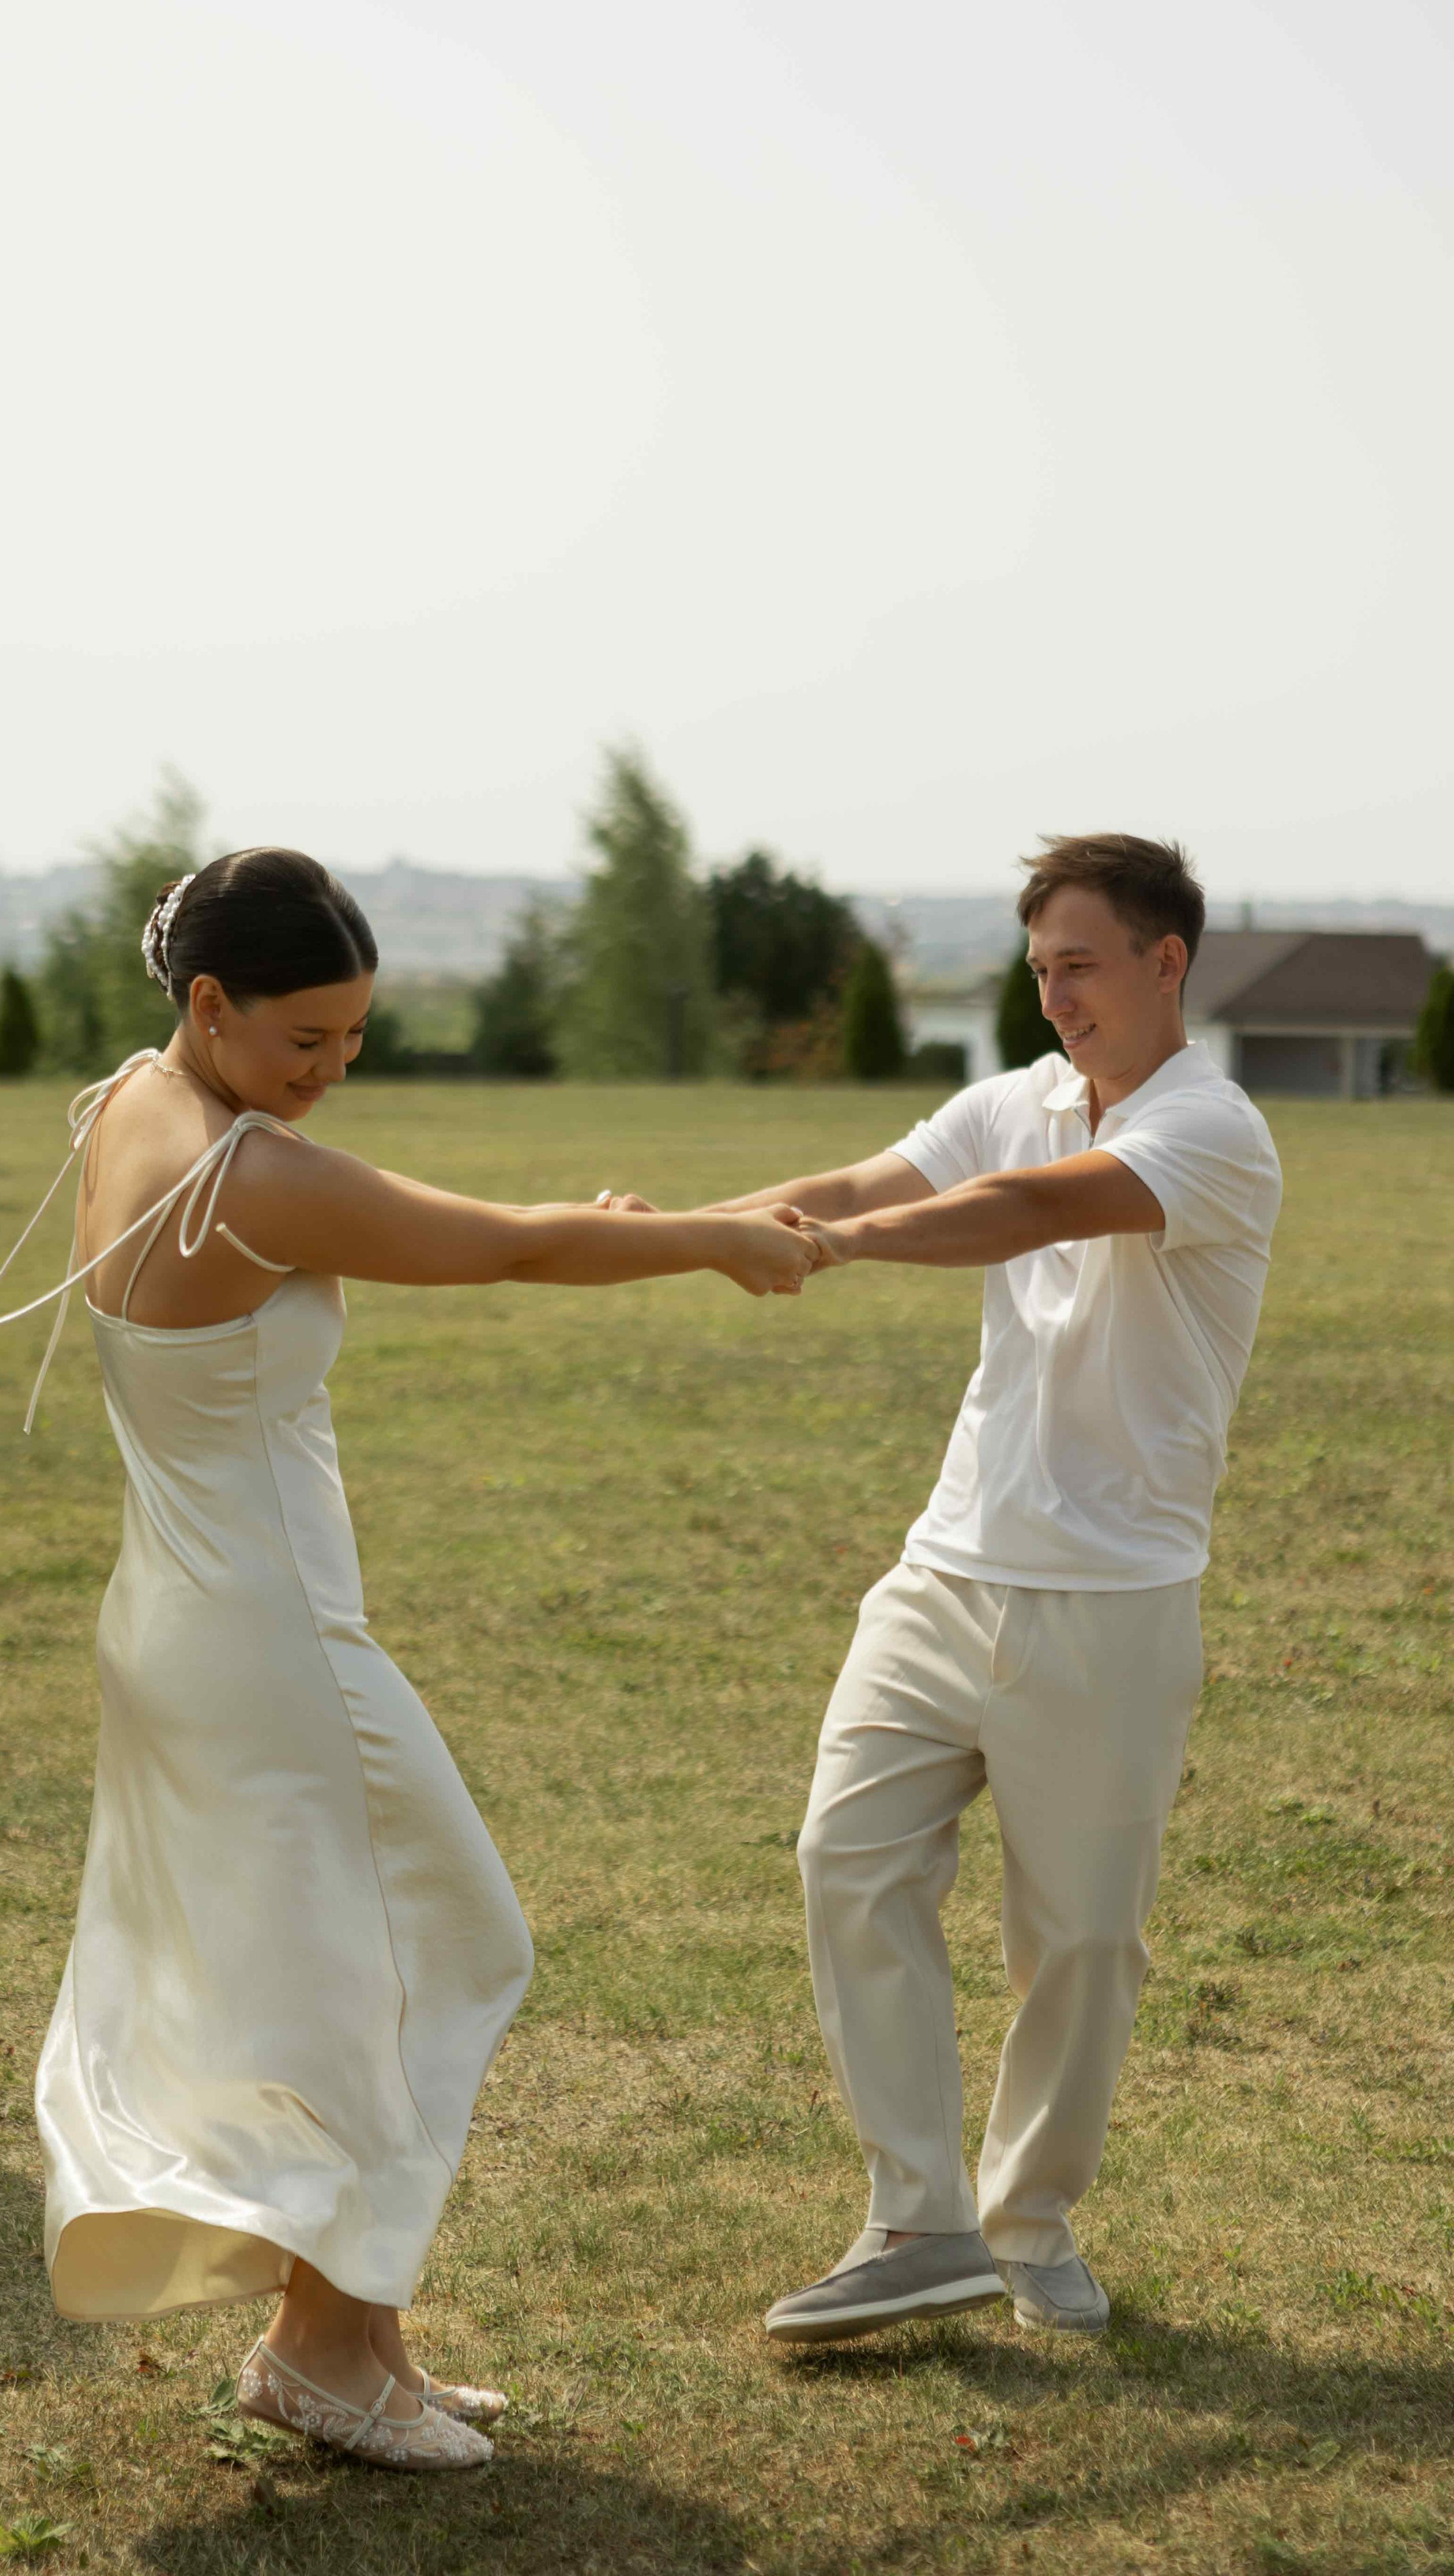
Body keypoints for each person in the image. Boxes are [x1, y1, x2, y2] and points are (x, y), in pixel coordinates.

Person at [0, 848, 816, 2473]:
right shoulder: (247, 1173)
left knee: (331, 1980)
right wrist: (709, 1238)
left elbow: (465, 1229)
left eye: (354, 1038)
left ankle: (351, 2346)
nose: (332, 1070)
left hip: (184, 1621)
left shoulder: (127, 1110)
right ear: (208, 1003)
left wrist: (601, 1224)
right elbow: (496, 1248)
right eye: (306, 1041)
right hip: (267, 1641)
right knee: (437, 1947)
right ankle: (320, 2349)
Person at [604, 834, 1282, 2344]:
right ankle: (915, 2219)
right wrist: (689, 1234)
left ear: (1164, 963)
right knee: (844, 1857)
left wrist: (831, 1249)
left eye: (1080, 966)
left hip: (1107, 1600)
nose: (1054, 998)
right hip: (942, 1572)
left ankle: (1026, 2223)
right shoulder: (1012, 1101)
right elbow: (851, 1176)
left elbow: (1033, 1212)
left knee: (1078, 1942)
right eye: (1038, 969)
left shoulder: (1212, 1130)